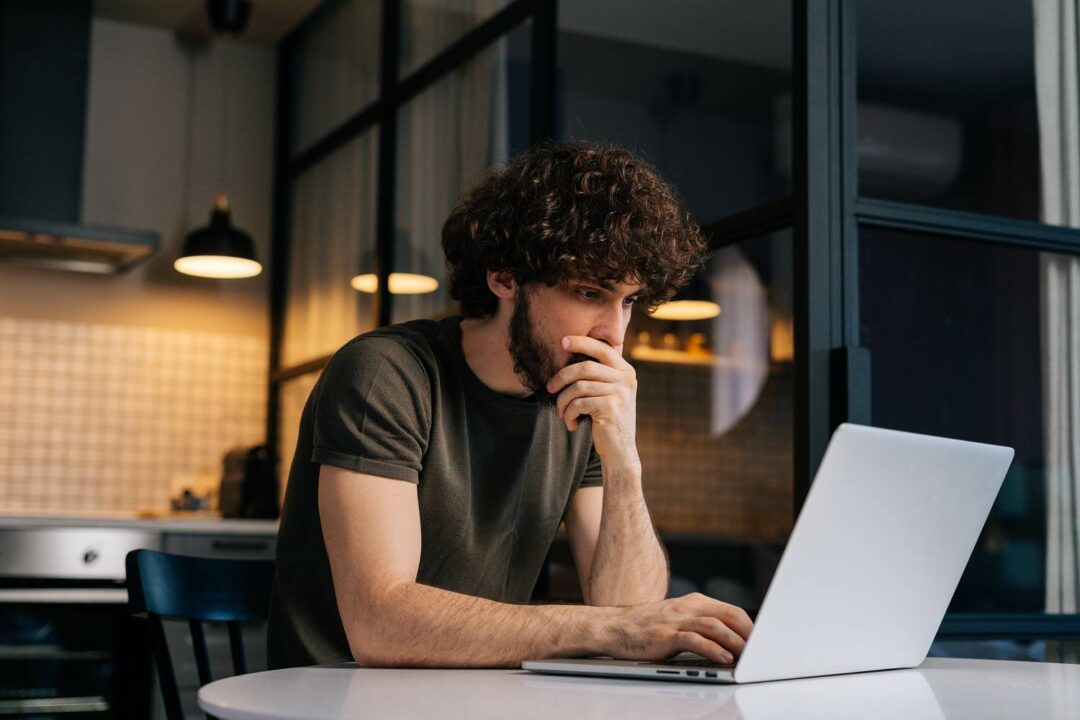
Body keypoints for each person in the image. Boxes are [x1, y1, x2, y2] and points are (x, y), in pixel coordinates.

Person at [267, 142, 753, 669]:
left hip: (478, 700)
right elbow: (379, 625)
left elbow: (630, 613)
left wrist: (623, 463)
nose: (615, 334)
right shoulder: (387, 374)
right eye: (590, 293)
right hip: (338, 702)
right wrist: (612, 628)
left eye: (629, 301)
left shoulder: (577, 400)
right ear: (504, 277)